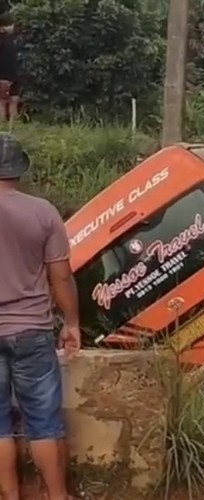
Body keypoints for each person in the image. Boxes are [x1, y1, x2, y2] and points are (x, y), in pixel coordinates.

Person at [0, 133, 80, 500]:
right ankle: (57, 496)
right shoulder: (43, 212)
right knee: (43, 423)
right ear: (18, 168)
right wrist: (72, 323)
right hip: (32, 331)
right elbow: (60, 276)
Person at [0, 14, 20, 124]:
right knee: (5, 102)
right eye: (10, 25)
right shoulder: (8, 41)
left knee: (10, 101)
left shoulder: (10, 39)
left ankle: (7, 127)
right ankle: (8, 127)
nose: (12, 27)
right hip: (8, 75)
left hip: (9, 75)